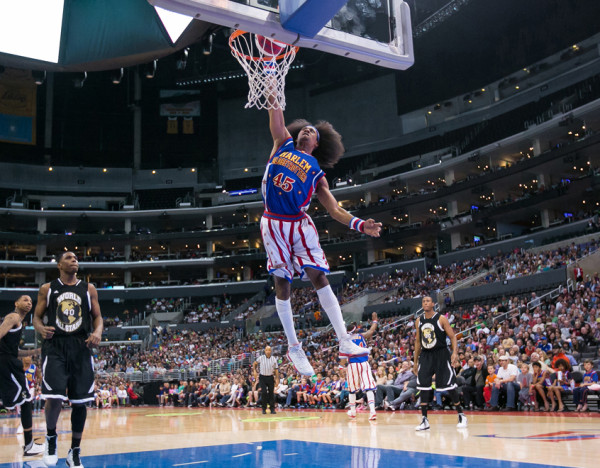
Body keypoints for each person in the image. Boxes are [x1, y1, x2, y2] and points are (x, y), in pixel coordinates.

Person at [262, 92, 382, 376]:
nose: (307, 130)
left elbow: (334, 209)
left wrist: (359, 224)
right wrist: (271, 85)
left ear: (317, 144)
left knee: (319, 276)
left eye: (312, 132)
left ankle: (344, 340)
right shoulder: (282, 143)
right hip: (273, 221)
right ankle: (294, 347)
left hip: (298, 223)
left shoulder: (316, 172)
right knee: (282, 283)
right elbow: (275, 113)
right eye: (304, 128)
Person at [33, 251, 103, 468]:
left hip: (81, 346)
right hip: (55, 345)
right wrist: (40, 329)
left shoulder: (89, 288)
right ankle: (51, 438)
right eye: (69, 258)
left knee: (80, 401)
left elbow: (98, 317)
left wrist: (98, 332)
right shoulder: (48, 288)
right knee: (53, 396)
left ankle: (74, 451)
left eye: (76, 258)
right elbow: (36, 317)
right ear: (59, 265)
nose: (74, 260)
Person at [413, 296, 467, 431]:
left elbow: (452, 337)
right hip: (426, 355)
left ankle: (461, 414)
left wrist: (454, 353)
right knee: (423, 387)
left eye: (428, 301)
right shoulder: (419, 321)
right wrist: (415, 362)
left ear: (433, 304)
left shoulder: (441, 318)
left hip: (441, 354)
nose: (425, 303)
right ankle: (424, 420)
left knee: (449, 385)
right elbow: (418, 342)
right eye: (423, 301)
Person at [0, 295, 45, 456]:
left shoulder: (18, 322)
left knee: (25, 401)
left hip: (9, 362)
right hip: (7, 365)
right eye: (25, 300)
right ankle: (29, 445)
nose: (29, 303)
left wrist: (37, 351)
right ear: (16, 303)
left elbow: (16, 352)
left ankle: (29, 444)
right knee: (26, 401)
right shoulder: (13, 317)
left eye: (31, 301)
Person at [342, 314, 378, 420]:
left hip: (353, 364)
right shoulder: (362, 335)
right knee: (369, 387)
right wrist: (375, 321)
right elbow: (371, 331)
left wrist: (341, 366)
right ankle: (372, 411)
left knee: (352, 390)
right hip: (364, 364)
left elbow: (343, 356)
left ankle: (353, 412)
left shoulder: (346, 340)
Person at [253, 345, 279, 415]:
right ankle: (263, 409)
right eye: (267, 350)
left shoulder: (273, 359)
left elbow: (276, 370)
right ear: (265, 351)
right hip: (262, 377)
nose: (268, 351)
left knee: (271, 393)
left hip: (270, 377)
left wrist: (277, 379)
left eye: (269, 350)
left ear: (271, 351)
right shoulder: (261, 358)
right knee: (264, 393)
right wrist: (254, 371)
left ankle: (272, 409)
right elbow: (254, 363)